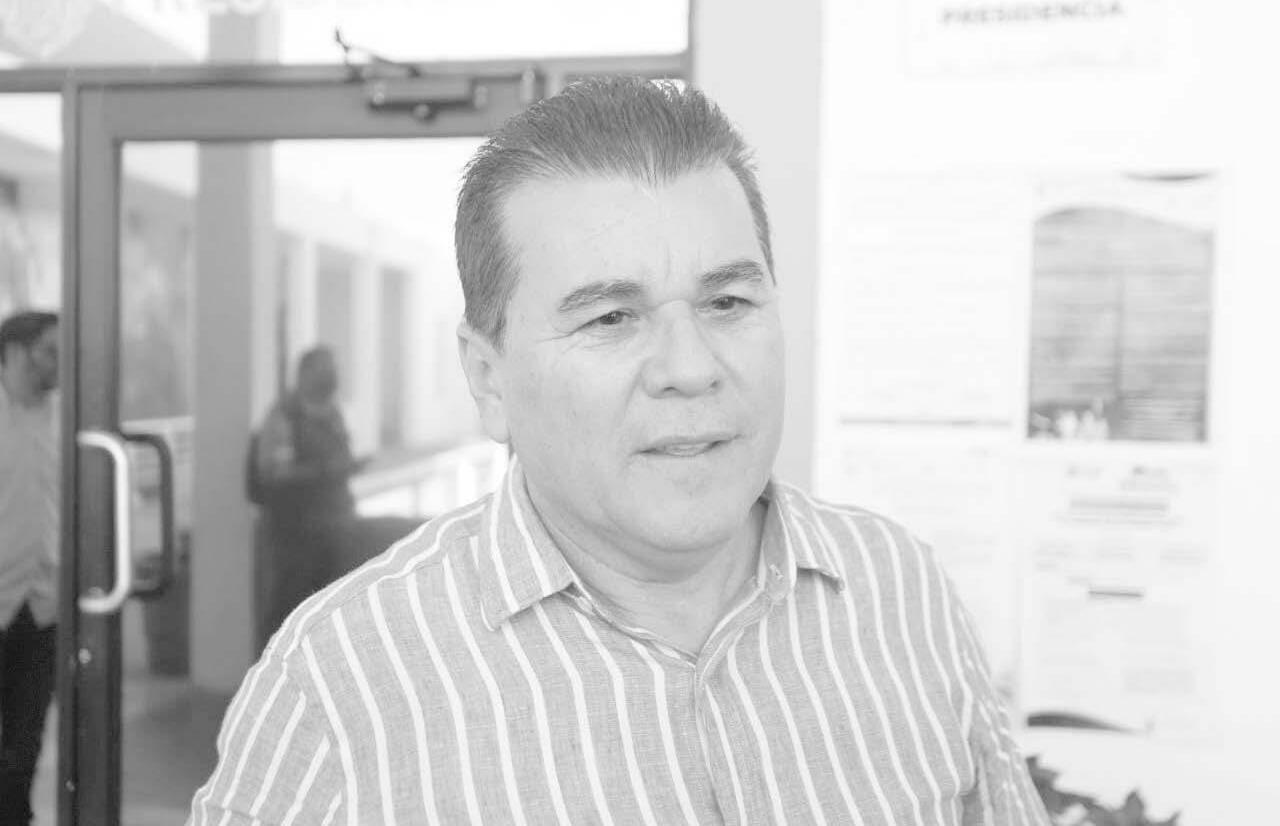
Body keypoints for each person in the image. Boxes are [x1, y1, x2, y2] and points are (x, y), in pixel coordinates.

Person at [190, 78, 1049, 825]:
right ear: (489, 379)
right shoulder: (341, 693)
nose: (689, 368)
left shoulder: (901, 593)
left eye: (727, 302)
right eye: (610, 318)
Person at [251, 345, 365, 653]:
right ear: (304, 374)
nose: (333, 376)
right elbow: (274, 474)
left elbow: (342, 456)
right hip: (295, 535)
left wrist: (346, 466)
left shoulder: (332, 413)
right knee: (287, 613)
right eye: (324, 369)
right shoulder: (283, 417)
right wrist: (324, 470)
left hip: (336, 527)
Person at [0, 310, 60, 826]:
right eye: (50, 352)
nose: (60, 363)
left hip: (42, 606)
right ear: (16, 353)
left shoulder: (67, 419)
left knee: (26, 736)